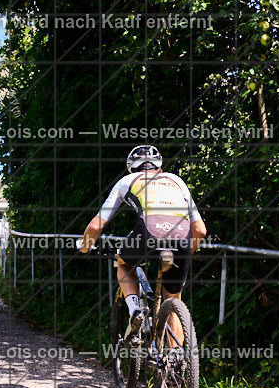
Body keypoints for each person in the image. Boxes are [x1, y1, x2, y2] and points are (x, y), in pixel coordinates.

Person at [79, 145, 207, 343]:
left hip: (148, 232)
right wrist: (185, 254)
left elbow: (97, 224)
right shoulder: (177, 181)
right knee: (173, 299)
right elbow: (200, 230)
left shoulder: (127, 181)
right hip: (182, 236)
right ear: (159, 168)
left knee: (123, 263)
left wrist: (85, 247)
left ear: (132, 167)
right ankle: (177, 362)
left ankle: (135, 310)